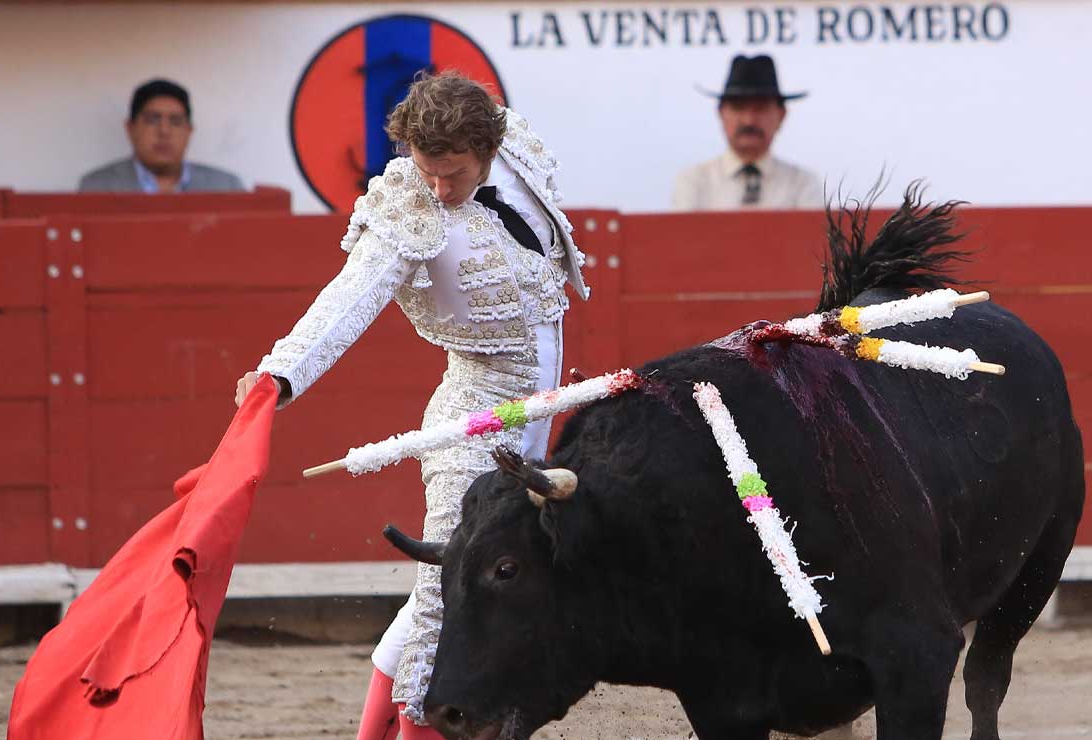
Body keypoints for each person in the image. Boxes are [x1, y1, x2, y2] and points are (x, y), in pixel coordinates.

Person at [234, 71, 589, 738]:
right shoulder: (407, 210)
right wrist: (279, 375)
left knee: (448, 584)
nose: (437, 188)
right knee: (440, 597)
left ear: (487, 149)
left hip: (534, 418)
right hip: (473, 415)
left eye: (451, 173)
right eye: (425, 170)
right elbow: (349, 297)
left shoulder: (515, 151)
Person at [672, 54, 820, 211]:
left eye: (760, 109)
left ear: (781, 115)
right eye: (738, 108)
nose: (749, 120)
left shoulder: (802, 184)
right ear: (721, 113)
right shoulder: (694, 182)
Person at [78, 78, 244, 193]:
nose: (164, 131)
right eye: (152, 120)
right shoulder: (97, 187)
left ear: (189, 131)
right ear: (130, 128)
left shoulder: (227, 186)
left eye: (176, 121)